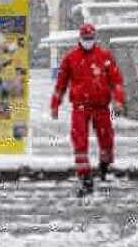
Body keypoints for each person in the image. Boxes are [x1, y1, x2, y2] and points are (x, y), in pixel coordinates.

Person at [50, 23, 125, 197]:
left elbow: (116, 81)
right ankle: (85, 177)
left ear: (95, 38)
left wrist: (118, 100)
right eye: (85, 39)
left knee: (106, 139)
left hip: (101, 107)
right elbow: (61, 84)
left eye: (91, 39)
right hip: (80, 107)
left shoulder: (104, 57)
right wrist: (55, 104)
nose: (88, 42)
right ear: (80, 39)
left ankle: (105, 166)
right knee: (80, 142)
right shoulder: (71, 58)